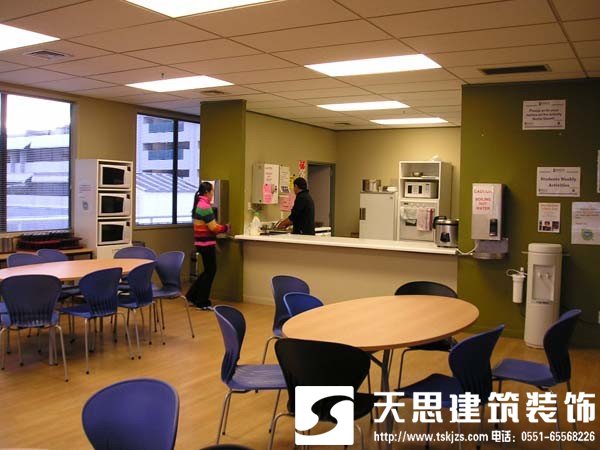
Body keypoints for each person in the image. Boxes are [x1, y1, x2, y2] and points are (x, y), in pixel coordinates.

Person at [186, 181, 229, 309]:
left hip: (201, 243)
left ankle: (192, 295)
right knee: (210, 271)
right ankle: (201, 300)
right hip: (206, 244)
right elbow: (214, 227)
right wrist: (226, 228)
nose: (212, 195)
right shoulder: (205, 206)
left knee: (207, 271)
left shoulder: (199, 204)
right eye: (211, 192)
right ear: (206, 192)